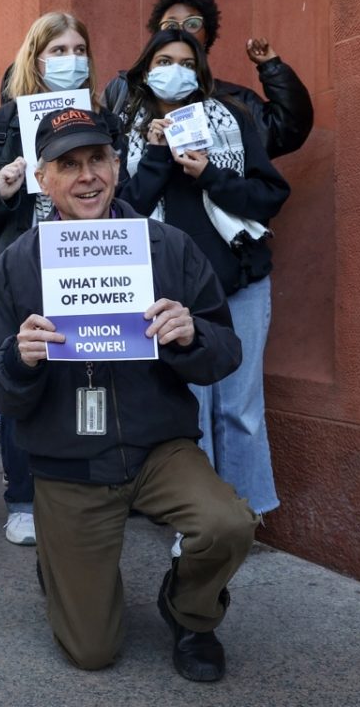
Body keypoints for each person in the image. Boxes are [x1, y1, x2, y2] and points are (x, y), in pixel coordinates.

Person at [0, 106, 257, 680]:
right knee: (92, 652)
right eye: (68, 164)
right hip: (69, 461)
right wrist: (18, 359)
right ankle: (63, 565)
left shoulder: (169, 247)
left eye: (97, 158)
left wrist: (191, 333)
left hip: (158, 448)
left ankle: (190, 612)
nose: (87, 176)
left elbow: (225, 351)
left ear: (118, 164)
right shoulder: (17, 265)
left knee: (227, 522)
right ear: (43, 179)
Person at [115, 29, 290, 518]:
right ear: (147, 70)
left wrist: (210, 174)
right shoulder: (127, 130)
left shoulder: (229, 118)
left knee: (240, 409)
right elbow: (126, 213)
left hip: (240, 285)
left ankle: (244, 513)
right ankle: (198, 518)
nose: (176, 70)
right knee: (188, 407)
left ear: (201, 71)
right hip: (169, 294)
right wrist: (155, 155)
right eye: (165, 60)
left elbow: (271, 196)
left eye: (187, 62)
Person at [0, 11, 100, 546]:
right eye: (57, 51)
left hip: (89, 267)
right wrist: (1, 190)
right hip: (20, 270)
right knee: (21, 378)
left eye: (78, 49)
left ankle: (89, 490)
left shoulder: (101, 118)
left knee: (87, 378)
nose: (70, 60)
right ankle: (21, 500)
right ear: (34, 59)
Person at [102, 0, 313, 159]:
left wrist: (271, 66)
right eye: (171, 25)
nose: (182, 30)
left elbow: (287, 129)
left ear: (207, 37)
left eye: (192, 23)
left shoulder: (232, 102)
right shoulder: (124, 93)